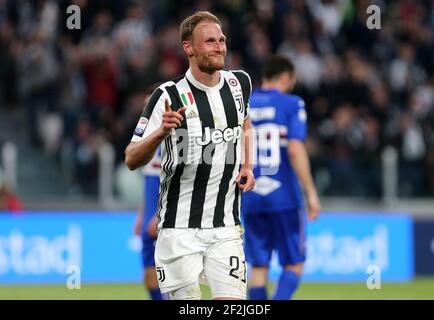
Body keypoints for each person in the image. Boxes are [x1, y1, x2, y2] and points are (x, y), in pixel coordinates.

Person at [125, 11, 255, 300]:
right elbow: (131, 157)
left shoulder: (240, 84)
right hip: (177, 229)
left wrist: (248, 165)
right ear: (189, 47)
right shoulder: (166, 95)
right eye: (210, 41)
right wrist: (160, 133)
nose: (219, 46)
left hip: (225, 226)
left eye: (221, 40)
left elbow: (246, 123)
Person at [242, 55, 321, 300]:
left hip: (250, 196)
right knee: (293, 264)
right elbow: (295, 149)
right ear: (286, 77)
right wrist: (311, 192)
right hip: (284, 197)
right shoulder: (292, 104)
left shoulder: (244, 104)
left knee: (258, 267)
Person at [133, 151, 167, 300]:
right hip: (150, 215)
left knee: (172, 276)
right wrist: (141, 215)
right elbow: (149, 182)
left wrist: (162, 213)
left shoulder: (170, 132)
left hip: (167, 214)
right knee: (149, 276)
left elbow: (182, 177)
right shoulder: (149, 135)